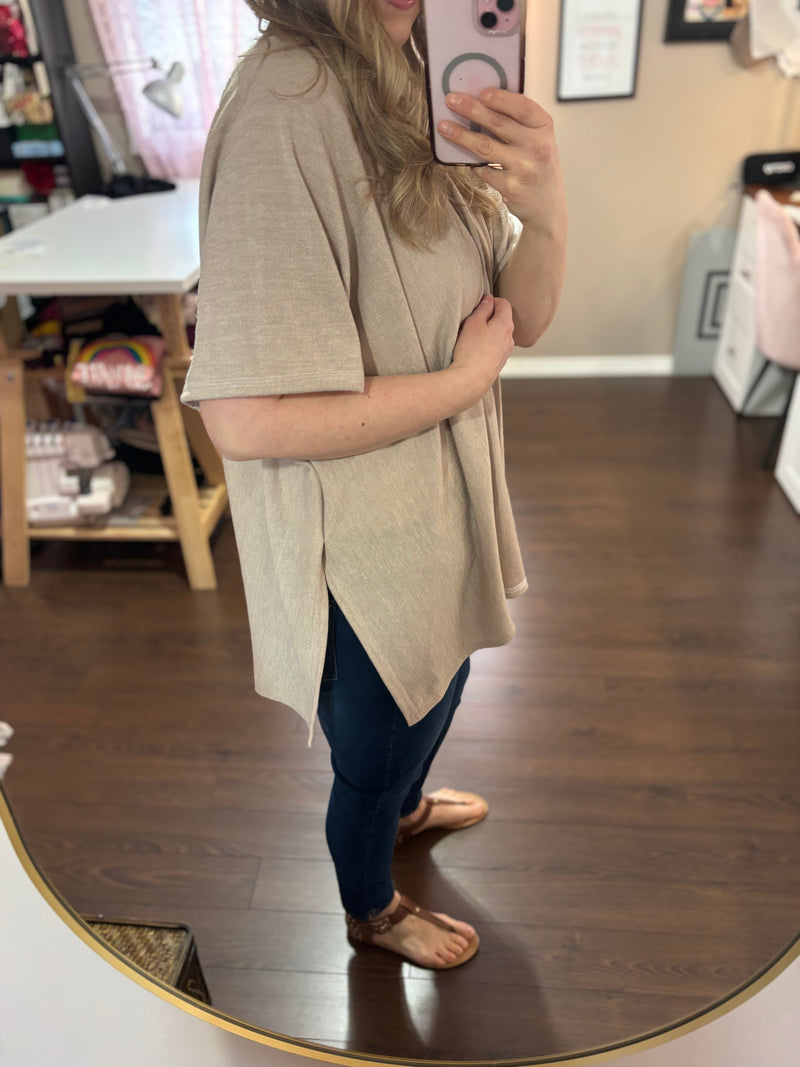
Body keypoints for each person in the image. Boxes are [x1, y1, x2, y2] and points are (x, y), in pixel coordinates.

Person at [181, 0, 567, 970]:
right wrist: (462, 382)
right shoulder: (286, 101)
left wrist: (547, 198)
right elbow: (245, 415)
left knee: (444, 677)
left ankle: (400, 812)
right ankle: (368, 906)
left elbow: (520, 313)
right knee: (376, 740)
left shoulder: (412, 74)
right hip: (359, 528)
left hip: (438, 497)